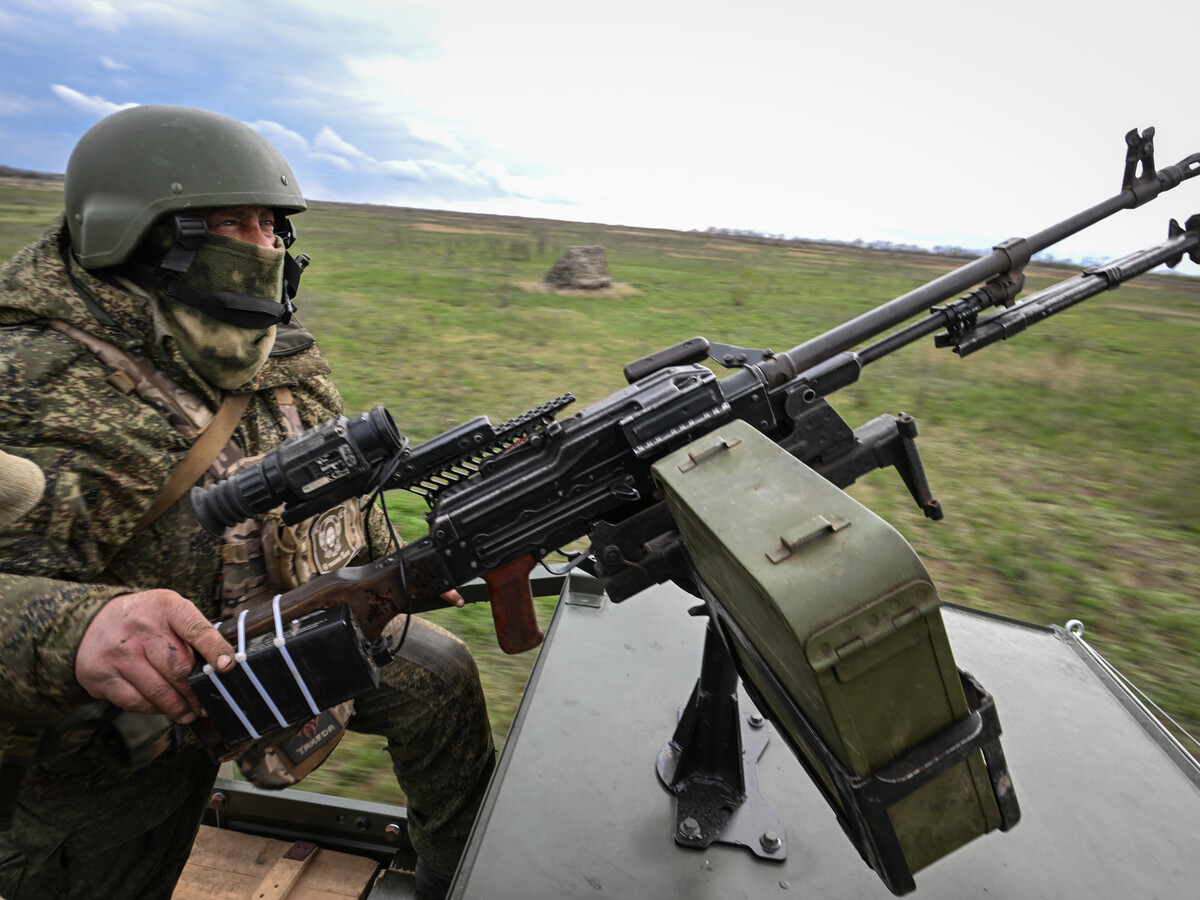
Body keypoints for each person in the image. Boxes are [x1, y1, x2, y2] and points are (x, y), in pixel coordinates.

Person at [0, 105, 493, 900]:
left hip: (280, 635)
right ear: (142, 233)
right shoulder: (33, 383)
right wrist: (79, 629)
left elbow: (330, 486)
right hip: (110, 737)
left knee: (438, 675)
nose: (263, 249)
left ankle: (455, 878)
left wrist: (398, 559)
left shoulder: (268, 348)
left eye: (271, 226)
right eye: (232, 223)